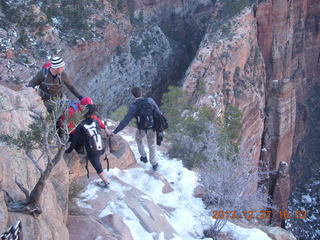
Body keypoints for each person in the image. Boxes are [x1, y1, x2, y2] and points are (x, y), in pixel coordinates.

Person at [113, 87, 163, 171]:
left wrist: (115, 131)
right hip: (152, 127)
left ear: (133, 96)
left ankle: (143, 156)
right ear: (142, 93)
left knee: (138, 139)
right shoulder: (150, 100)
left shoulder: (134, 106)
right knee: (152, 145)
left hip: (142, 129)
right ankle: (154, 164)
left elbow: (126, 120)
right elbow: (159, 112)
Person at [65, 104, 113, 187]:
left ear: (84, 113)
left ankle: (106, 182)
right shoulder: (96, 121)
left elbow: (74, 140)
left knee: (98, 167)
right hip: (101, 147)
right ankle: (105, 180)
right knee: (96, 158)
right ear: (93, 113)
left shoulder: (81, 125)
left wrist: (68, 150)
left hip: (92, 150)